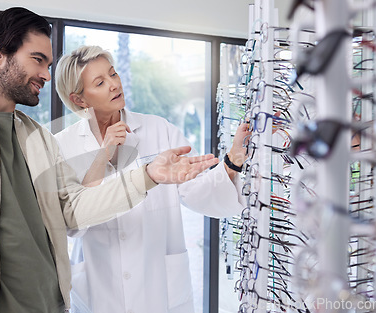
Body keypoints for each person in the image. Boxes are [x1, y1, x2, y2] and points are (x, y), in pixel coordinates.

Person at [0, 8, 219, 313]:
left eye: (48, 64)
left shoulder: (39, 138)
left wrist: (148, 175)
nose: (46, 75)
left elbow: (73, 209)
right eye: (37, 60)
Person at [54, 45, 250, 313]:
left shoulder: (159, 129)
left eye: (113, 74)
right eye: (100, 82)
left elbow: (196, 192)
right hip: (98, 291)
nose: (114, 84)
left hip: (159, 288)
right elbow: (73, 223)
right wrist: (104, 153)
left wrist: (232, 162)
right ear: (79, 100)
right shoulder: (63, 146)